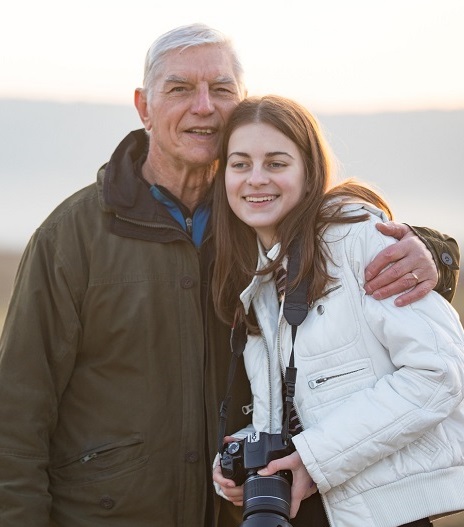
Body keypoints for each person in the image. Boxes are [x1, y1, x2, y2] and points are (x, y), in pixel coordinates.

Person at [0, 24, 459, 527]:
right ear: (143, 107)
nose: (203, 106)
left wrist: (432, 252)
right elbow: (17, 411)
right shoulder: (72, 237)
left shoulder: (259, 221)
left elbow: (339, 233)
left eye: (220, 89)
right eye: (179, 89)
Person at [211, 94, 464, 527]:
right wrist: (245, 459)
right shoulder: (257, 277)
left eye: (275, 163)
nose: (255, 179)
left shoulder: (361, 240)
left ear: (309, 173)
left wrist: (314, 457)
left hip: (386, 515)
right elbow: (303, 406)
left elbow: (440, 372)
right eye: (240, 164)